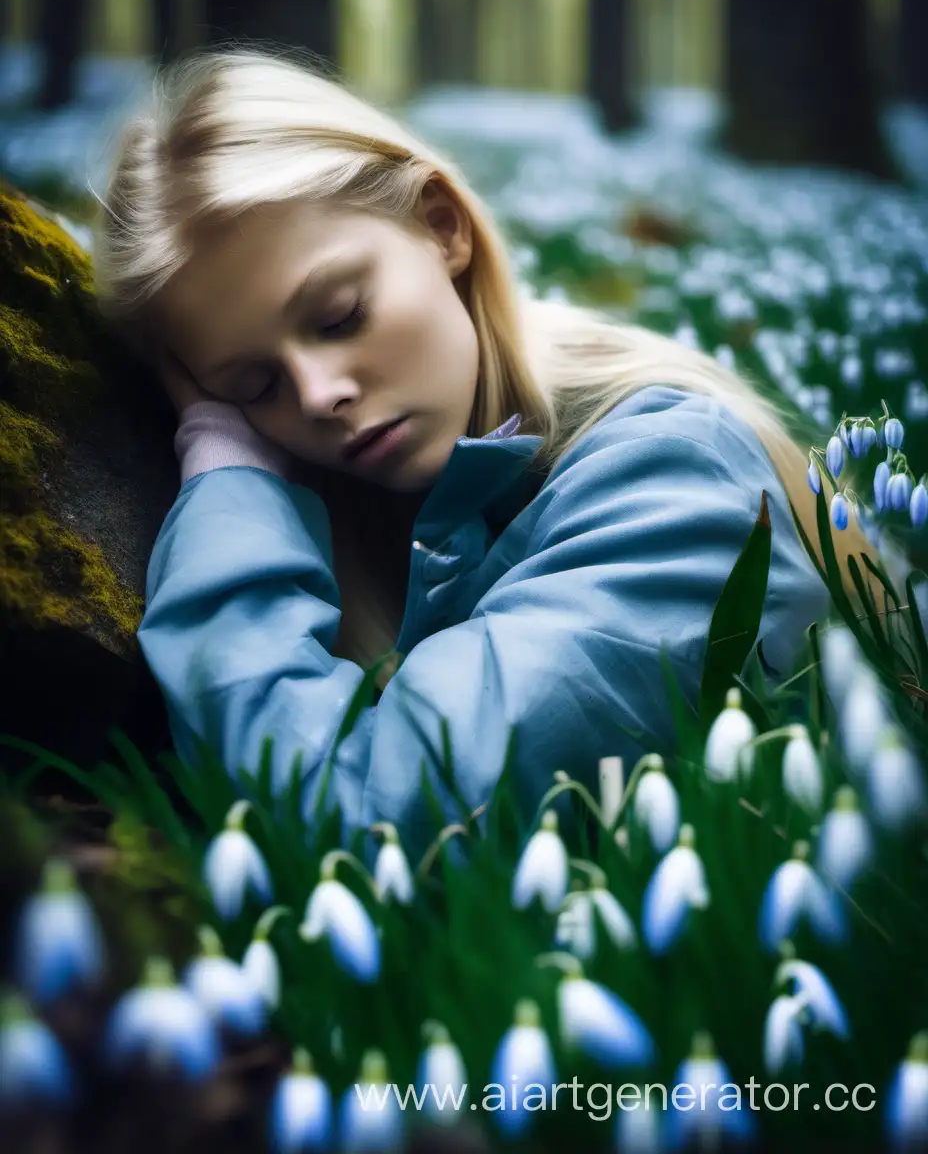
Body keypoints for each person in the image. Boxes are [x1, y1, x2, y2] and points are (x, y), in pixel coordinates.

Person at [91, 46, 873, 860]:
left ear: (440, 225)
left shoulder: (679, 482)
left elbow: (359, 824)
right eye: (253, 390)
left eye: (338, 316)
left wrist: (231, 480)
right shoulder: (373, 516)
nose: (318, 395)